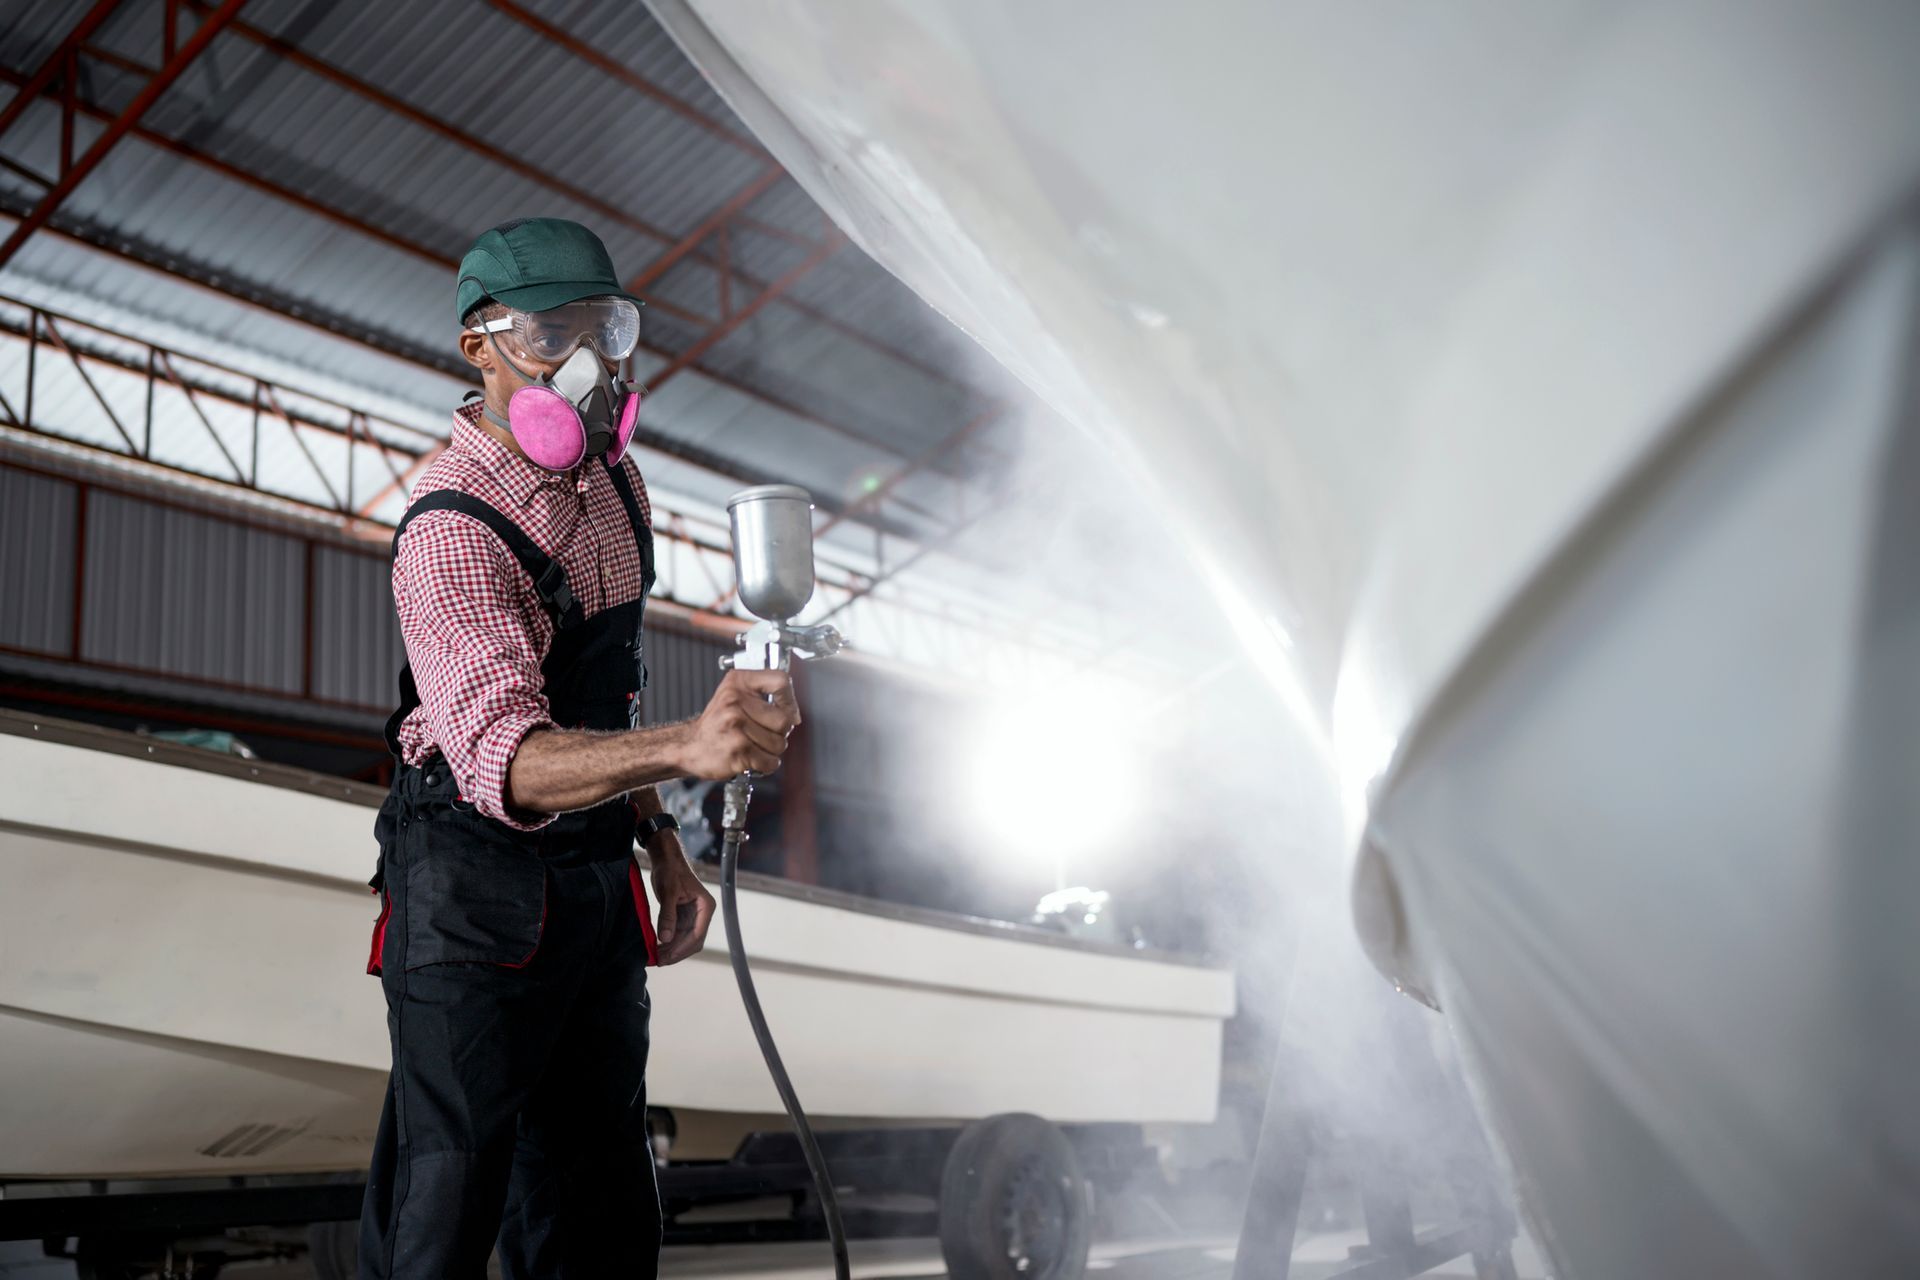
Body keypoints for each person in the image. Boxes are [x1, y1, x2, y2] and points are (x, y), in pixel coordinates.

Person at [358, 217, 799, 1279]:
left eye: (607, 328)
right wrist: (689, 746)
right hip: (471, 884)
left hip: (596, 879)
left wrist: (662, 844)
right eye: (554, 336)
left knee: (600, 1203)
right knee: (443, 1209)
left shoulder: (616, 487)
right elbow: (507, 760)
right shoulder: (450, 527)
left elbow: (605, 699)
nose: (590, 362)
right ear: (480, 347)